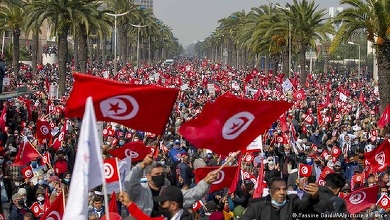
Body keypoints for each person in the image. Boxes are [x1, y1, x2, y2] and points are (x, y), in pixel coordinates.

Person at [124, 154, 217, 217]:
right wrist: (142, 165)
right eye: (156, 174)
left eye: (162, 174)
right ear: (148, 177)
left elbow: (191, 195)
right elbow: (129, 182)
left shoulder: (170, 192)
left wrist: (205, 182)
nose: (160, 176)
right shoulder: (140, 191)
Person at [241, 177, 319, 220]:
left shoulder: (292, 201)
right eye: (277, 189)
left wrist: (313, 196)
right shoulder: (256, 205)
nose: (282, 192)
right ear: (270, 192)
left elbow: (304, 204)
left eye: (284, 189)